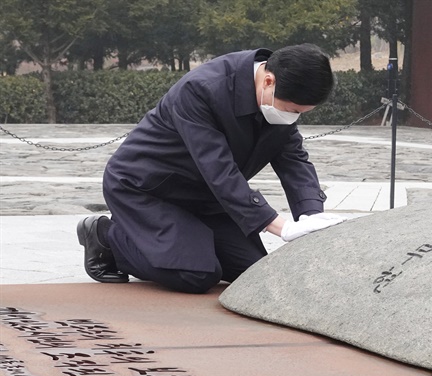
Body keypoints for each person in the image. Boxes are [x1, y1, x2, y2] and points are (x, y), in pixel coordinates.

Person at [77, 44, 346, 294]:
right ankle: (107, 237)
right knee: (195, 274)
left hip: (206, 196)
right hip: (147, 188)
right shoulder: (202, 90)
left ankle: (184, 245)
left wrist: (312, 219)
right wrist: (279, 226)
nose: (293, 118)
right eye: (292, 109)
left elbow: (294, 160)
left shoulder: (278, 98)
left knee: (255, 271)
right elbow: (219, 170)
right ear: (268, 81)